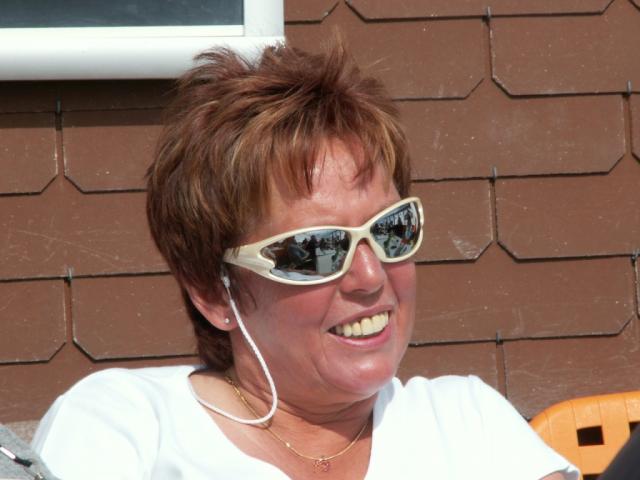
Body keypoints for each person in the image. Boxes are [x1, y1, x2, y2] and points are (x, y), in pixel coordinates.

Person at [31, 42, 579, 480]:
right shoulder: (125, 425)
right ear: (214, 291)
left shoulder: (468, 423)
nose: (370, 277)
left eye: (391, 230)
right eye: (317, 249)